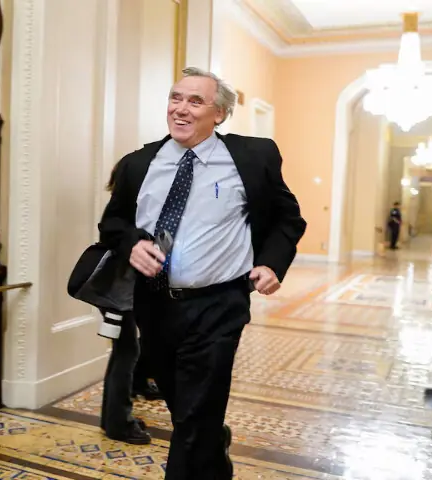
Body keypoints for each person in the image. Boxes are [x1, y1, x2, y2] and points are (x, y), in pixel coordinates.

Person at [98, 67, 306, 479]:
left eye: (195, 101)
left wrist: (270, 262)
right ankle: (215, 448)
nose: (180, 109)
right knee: (190, 411)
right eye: (176, 98)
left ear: (220, 114)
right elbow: (113, 223)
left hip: (219, 304)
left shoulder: (254, 155)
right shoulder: (138, 164)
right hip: (155, 306)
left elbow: (288, 218)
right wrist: (132, 244)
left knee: (193, 419)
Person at [98, 164, 151, 445]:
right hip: (119, 291)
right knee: (126, 353)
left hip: (121, 290)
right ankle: (119, 422)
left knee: (125, 351)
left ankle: (113, 418)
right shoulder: (124, 214)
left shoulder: (126, 209)